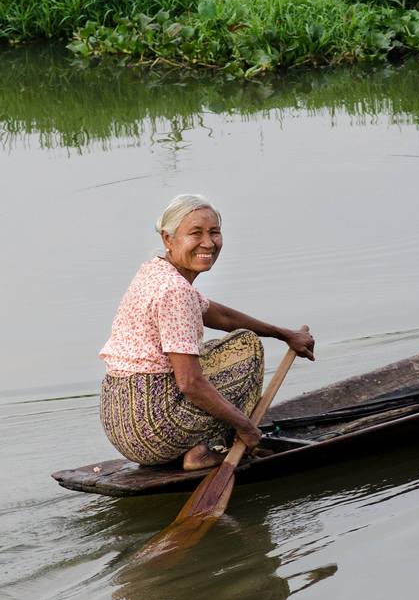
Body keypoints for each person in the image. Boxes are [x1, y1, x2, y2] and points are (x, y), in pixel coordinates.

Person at [99, 194, 315, 470]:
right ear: (168, 239)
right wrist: (245, 426)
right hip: (154, 430)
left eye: (214, 233)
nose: (208, 243)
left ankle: (192, 446)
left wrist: (284, 334)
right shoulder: (176, 291)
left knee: (215, 349)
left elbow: (220, 315)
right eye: (195, 234)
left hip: (120, 424)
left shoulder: (155, 271)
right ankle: (205, 450)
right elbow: (190, 382)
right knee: (245, 347)